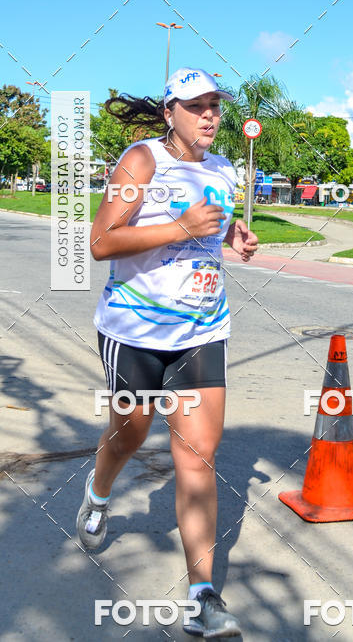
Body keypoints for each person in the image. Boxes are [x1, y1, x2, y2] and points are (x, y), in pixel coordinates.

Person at [76, 68, 258, 637]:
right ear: (169, 112)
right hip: (134, 331)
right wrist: (180, 227)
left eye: (214, 106)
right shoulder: (141, 161)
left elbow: (213, 227)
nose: (209, 116)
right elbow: (101, 241)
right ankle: (99, 493)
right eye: (196, 106)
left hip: (201, 329)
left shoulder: (223, 169)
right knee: (129, 434)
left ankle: (202, 597)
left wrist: (233, 236)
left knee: (197, 459)